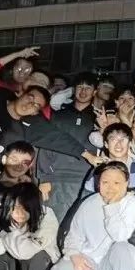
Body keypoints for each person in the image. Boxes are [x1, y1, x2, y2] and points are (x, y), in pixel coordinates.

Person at [51, 162, 135, 270]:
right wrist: (74, 255)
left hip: (112, 265)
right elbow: (74, 235)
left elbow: (120, 235)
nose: (110, 187)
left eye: (116, 182)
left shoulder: (131, 202)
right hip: (89, 263)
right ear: (98, 183)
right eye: (105, 182)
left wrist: (112, 206)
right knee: (61, 268)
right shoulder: (88, 203)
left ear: (126, 183)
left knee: (125, 248)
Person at [39, 72, 102, 223]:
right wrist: (44, 178)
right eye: (80, 87)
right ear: (74, 90)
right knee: (53, 226)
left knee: (82, 225)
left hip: (87, 180)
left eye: (88, 88)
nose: (83, 91)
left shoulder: (100, 118)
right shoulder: (58, 116)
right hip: (57, 179)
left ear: (95, 92)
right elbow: (46, 146)